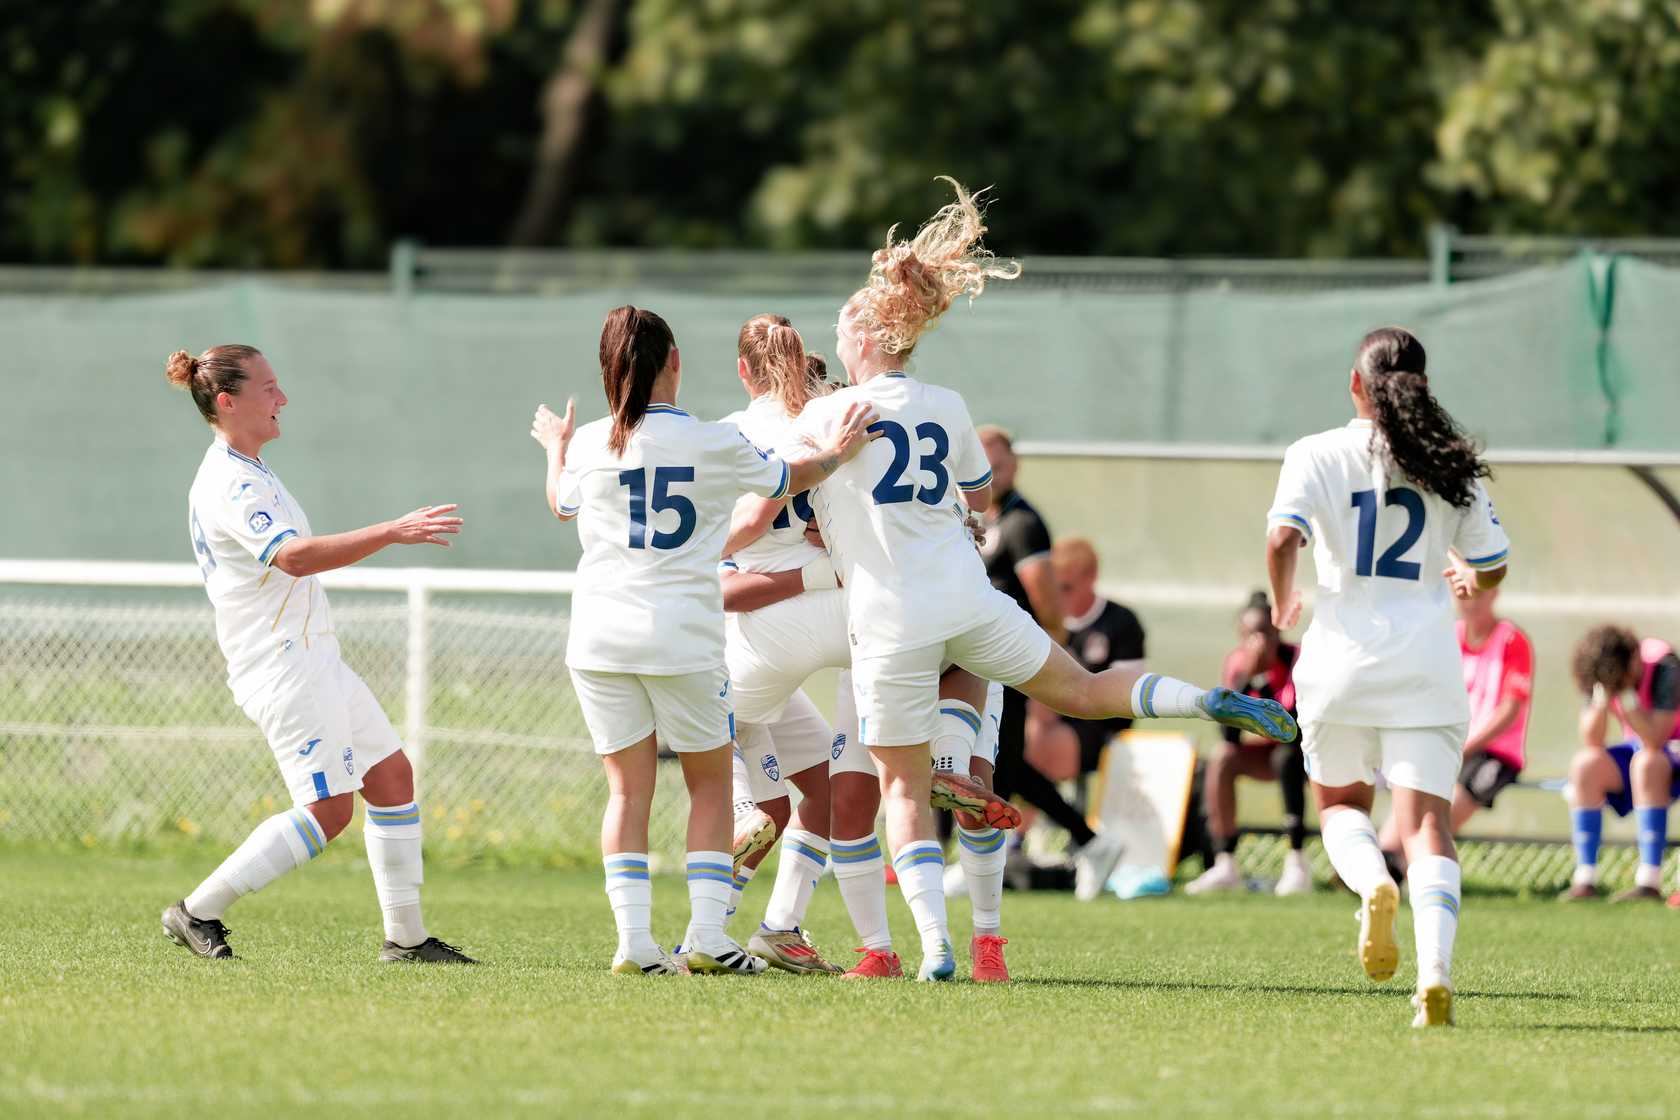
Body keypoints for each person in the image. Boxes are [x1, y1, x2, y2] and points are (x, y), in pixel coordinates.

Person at [795, 176, 1297, 980]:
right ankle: (1204, 701)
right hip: (969, 600)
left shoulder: (829, 416)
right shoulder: (947, 402)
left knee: (903, 788)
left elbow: (777, 488)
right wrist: (950, 517)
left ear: (865, 334)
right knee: (1086, 692)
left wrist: (829, 466)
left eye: (841, 328)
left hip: (891, 617)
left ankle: (934, 949)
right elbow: (977, 497)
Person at [529, 305, 876, 976]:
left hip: (597, 637)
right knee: (712, 786)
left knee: (626, 793)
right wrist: (838, 452)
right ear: (676, 362)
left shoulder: (591, 442)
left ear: (608, 370)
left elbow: (561, 504)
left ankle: (635, 944)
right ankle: (712, 937)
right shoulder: (712, 440)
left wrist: (554, 445)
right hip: (682, 636)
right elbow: (790, 479)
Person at [717, 324, 1020, 978]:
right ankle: (950, 776)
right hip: (864, 621)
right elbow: (963, 507)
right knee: (956, 675)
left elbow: (730, 566)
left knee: (831, 796)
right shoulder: (840, 434)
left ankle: (782, 930)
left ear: (743, 371)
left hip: (778, 640)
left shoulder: (740, 436)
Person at [159, 345, 475, 964]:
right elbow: (293, 557)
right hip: (282, 663)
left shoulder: (250, 468)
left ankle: (407, 940)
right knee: (329, 811)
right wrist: (393, 531)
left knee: (391, 777)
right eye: (269, 388)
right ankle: (196, 910)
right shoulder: (230, 481)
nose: (282, 398)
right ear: (227, 402)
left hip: (313, 657)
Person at [1265, 325, 1510, 1028]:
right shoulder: (1448, 461)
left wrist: (1281, 601)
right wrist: (1468, 575)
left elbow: (1281, 538)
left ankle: (1374, 883)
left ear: (1355, 384)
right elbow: (1493, 563)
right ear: (1423, 387)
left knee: (1342, 806)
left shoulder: (1314, 452)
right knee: (1428, 825)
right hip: (1425, 665)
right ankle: (1434, 976)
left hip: (1338, 664)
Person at [978, 430, 1127, 898]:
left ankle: (989, 858)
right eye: (982, 464)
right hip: (984, 659)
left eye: (998, 464)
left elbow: (1047, 606)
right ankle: (1087, 840)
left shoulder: (1022, 523)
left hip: (1012, 660)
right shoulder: (985, 519)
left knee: (999, 761)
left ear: (1014, 466)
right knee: (995, 761)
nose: (990, 473)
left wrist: (1047, 676)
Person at [1378, 586, 1533, 877]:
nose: (1470, 603)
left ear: (1494, 593)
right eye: (1463, 595)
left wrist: (1463, 748)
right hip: (1447, 747)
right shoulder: (1449, 636)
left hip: (1491, 753)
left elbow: (1510, 709)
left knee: (1432, 824)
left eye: (1478, 594)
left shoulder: (1512, 640)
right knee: (1388, 845)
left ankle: (1412, 875)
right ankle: (1385, 870)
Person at [1186, 591, 1310, 896]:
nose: (1259, 641)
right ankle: (1225, 862)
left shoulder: (1296, 659)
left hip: (1302, 753)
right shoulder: (1237, 664)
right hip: (1265, 751)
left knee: (1286, 757)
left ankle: (1297, 860)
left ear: (1278, 631)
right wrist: (1247, 680)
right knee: (1222, 757)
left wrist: (1263, 680)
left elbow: (1291, 727)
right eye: (1251, 634)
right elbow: (1229, 735)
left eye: (1265, 632)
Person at [1558, 625, 1680, 903]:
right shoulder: (1601, 671)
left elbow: (1657, 738)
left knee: (1647, 763)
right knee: (1585, 764)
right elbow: (1592, 738)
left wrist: (1627, 699)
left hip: (1671, 748)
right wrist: (1601, 701)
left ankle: (1649, 881)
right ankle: (1585, 879)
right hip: (1642, 750)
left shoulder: (1665, 665)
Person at [1025, 538, 1147, 793]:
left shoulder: (1121, 622)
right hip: (1047, 719)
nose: (1058, 597)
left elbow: (1125, 702)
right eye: (1053, 588)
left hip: (1101, 725)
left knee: (1034, 743)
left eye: (1066, 587)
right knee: (1017, 731)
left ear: (1091, 577)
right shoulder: (1041, 623)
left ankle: (1040, 816)